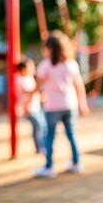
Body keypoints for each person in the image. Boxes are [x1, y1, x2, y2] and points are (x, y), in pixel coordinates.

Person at [34, 30, 89, 178]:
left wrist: (33, 94)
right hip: (70, 106)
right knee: (72, 134)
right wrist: (82, 104)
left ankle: (49, 167)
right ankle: (77, 163)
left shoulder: (45, 65)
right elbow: (79, 86)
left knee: (49, 137)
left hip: (52, 107)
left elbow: (37, 85)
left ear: (50, 48)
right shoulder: (71, 64)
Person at [17, 57, 47, 154]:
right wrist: (38, 89)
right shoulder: (21, 80)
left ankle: (40, 147)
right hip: (29, 109)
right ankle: (40, 147)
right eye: (30, 67)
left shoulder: (30, 79)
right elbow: (29, 92)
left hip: (36, 107)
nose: (33, 69)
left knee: (40, 126)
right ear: (23, 69)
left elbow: (34, 92)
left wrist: (40, 96)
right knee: (39, 125)